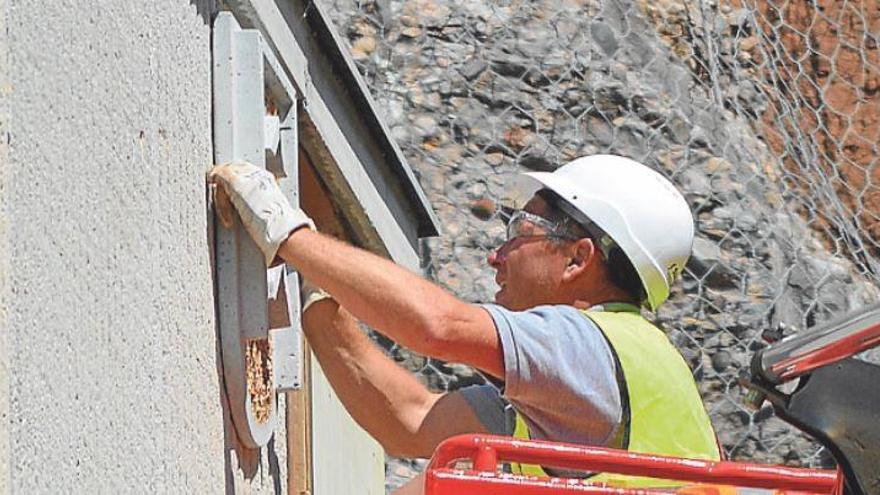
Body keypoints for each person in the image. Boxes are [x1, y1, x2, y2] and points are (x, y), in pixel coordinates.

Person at [208, 154, 720, 490]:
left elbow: (439, 327)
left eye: (522, 231)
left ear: (577, 260)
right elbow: (409, 420)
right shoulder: (578, 391)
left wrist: (289, 234)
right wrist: (316, 291)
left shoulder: (586, 346)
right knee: (447, 473)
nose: (498, 256)